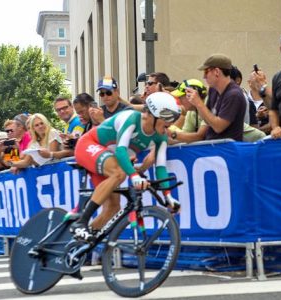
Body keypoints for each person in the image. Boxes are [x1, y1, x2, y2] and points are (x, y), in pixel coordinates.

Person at [71, 92, 182, 241]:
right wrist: (134, 176)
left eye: (173, 118)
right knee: (119, 173)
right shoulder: (131, 118)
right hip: (89, 145)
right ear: (152, 115)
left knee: (112, 208)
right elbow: (121, 150)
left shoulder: (160, 136)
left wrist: (168, 196)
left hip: (107, 157)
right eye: (167, 118)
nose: (171, 123)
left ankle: (78, 245)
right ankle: (81, 223)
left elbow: (160, 167)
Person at [183, 54, 246, 141]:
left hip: (226, 149)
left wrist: (198, 103)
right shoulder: (213, 90)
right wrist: (196, 104)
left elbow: (218, 127)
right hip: (213, 145)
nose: (204, 77)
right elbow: (207, 119)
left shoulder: (234, 95)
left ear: (216, 71)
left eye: (206, 72)